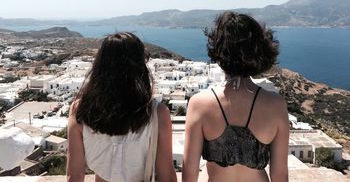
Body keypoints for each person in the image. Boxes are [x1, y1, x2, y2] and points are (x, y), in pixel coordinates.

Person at [182, 12, 289, 182]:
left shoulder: (199, 103)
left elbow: (189, 172)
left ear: (218, 51)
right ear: (259, 51)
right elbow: (280, 175)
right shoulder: (276, 105)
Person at [67, 32, 177, 182]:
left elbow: (74, 176)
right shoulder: (157, 113)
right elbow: (166, 176)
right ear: (140, 66)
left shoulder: (79, 110)